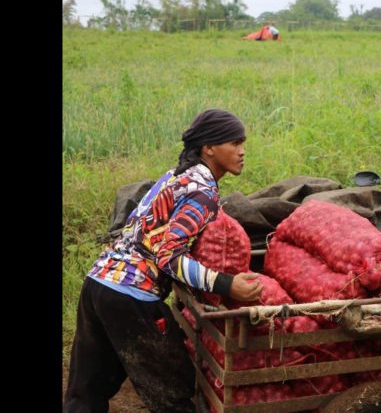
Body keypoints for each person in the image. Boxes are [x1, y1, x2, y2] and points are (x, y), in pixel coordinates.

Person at [64, 109, 264, 413]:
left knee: (85, 395)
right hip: (132, 297)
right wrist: (228, 284)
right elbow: (169, 257)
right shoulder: (203, 193)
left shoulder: (177, 176)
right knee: (175, 393)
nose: (242, 151)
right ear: (209, 147)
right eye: (234, 143)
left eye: (242, 143)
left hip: (98, 284)